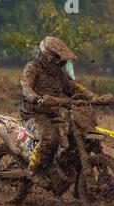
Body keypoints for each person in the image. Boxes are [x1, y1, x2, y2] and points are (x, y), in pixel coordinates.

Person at [20, 36, 98, 187]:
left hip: (55, 112)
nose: (60, 64)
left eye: (62, 61)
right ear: (47, 57)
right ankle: (34, 170)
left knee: (73, 135)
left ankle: (64, 170)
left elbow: (74, 87)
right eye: (58, 60)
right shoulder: (32, 68)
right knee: (50, 138)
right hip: (33, 113)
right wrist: (36, 98)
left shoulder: (59, 74)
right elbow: (26, 87)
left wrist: (94, 97)